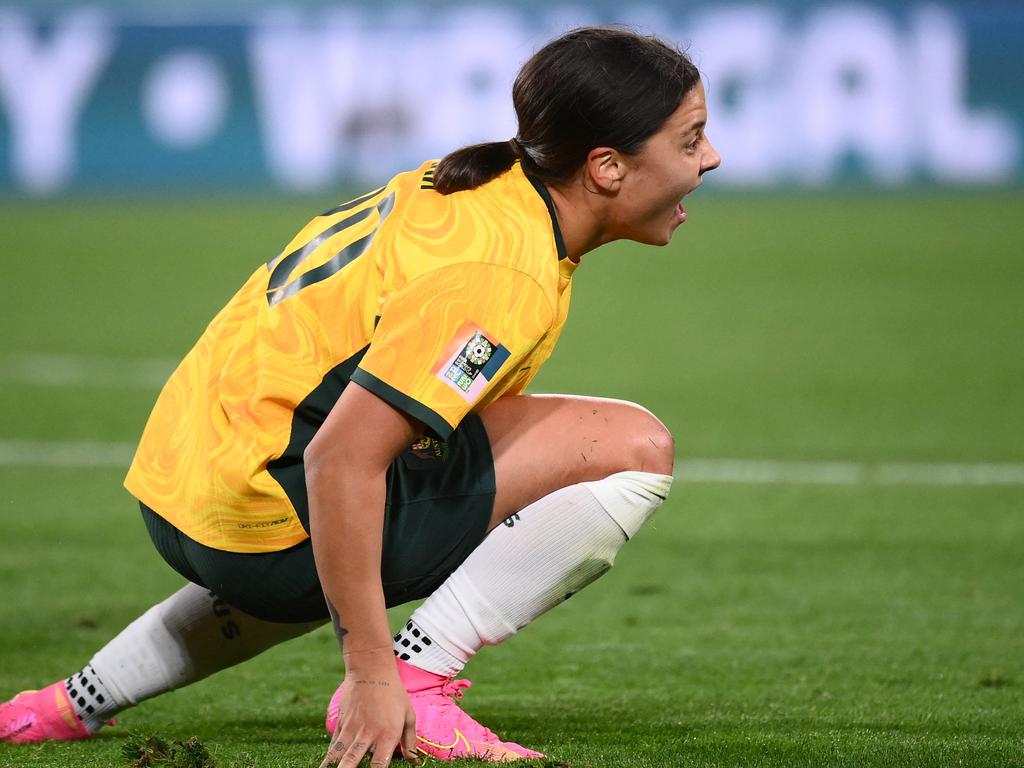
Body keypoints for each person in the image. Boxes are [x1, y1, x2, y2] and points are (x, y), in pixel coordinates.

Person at [0, 25, 720, 767]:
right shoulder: (504, 270)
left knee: (387, 484)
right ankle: (421, 682)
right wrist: (374, 673)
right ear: (605, 166)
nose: (712, 157)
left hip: (185, 484)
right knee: (631, 450)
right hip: (265, 513)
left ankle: (67, 704)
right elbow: (341, 462)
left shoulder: (470, 184)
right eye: (691, 138)